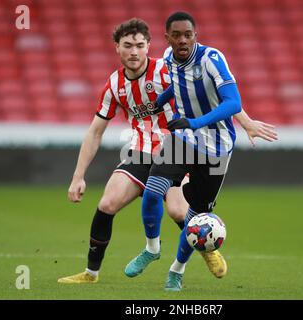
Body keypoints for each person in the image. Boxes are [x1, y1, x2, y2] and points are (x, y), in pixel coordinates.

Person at [57, 18, 235, 284]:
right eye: (127, 45)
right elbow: (95, 131)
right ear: (116, 47)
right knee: (107, 203)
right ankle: (91, 273)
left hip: (176, 150)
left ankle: (207, 248)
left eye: (140, 45)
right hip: (139, 152)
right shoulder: (114, 85)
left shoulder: (167, 69)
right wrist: (78, 175)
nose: (134, 51)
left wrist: (245, 121)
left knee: (178, 211)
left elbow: (214, 94)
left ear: (148, 46)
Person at [125, 12, 277, 291]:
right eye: (177, 35)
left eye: (188, 35)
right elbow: (177, 86)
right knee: (152, 191)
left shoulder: (212, 59)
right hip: (183, 140)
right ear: (167, 37)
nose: (183, 40)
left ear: (195, 35)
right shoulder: (169, 59)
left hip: (217, 149)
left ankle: (176, 270)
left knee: (197, 218)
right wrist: (158, 103)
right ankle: (152, 248)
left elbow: (233, 103)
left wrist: (195, 122)